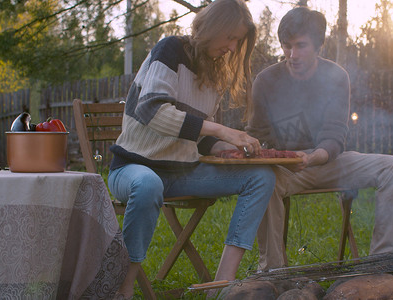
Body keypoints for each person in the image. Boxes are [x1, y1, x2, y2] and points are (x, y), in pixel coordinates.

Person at [107, 0, 276, 298]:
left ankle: (221, 285)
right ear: (213, 28)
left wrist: (229, 146)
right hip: (132, 169)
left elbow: (201, 136)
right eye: (231, 37)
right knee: (148, 184)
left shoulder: (217, 73)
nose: (233, 48)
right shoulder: (170, 50)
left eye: (238, 41)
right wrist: (222, 130)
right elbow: (153, 112)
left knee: (261, 176)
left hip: (182, 173)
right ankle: (124, 287)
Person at [246, 6, 393, 271]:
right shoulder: (266, 81)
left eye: (301, 46)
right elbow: (258, 135)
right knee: (262, 180)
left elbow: (335, 136)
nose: (292, 54)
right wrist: (273, 156)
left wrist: (312, 157)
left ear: (319, 45)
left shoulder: (336, 77)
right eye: (287, 46)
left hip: (328, 161)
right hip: (285, 169)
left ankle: (382, 259)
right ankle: (272, 272)